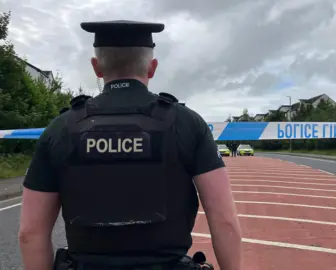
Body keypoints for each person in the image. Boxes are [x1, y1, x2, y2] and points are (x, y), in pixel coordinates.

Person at [18, 20, 242, 270]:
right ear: (152, 67)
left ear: (97, 67)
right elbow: (224, 221)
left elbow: (30, 233)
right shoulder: (187, 123)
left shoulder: (59, 129)